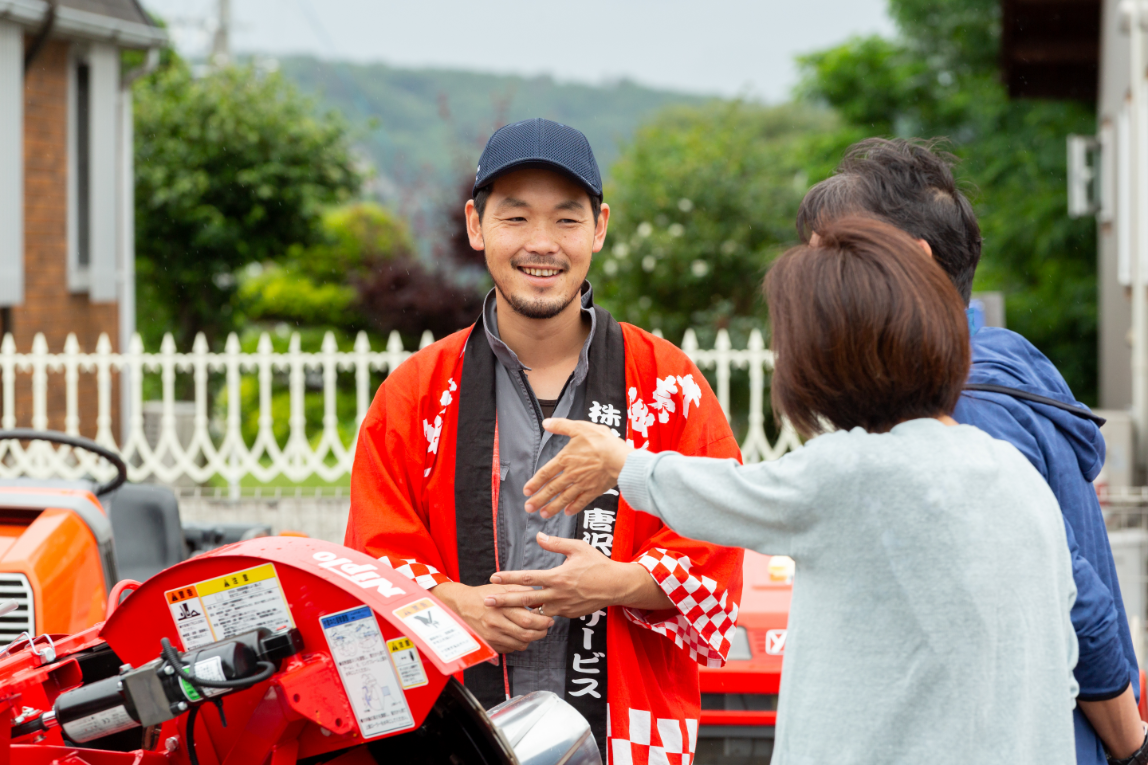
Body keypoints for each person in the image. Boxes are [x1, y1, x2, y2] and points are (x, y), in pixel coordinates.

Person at [514, 216, 1079, 765]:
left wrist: (621, 464)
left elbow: (727, 494)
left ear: (827, 358)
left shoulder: (855, 474)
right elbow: (1067, 648)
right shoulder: (1016, 475)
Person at [344, 117, 744, 762]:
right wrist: (453, 606)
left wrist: (613, 583)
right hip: (448, 736)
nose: (542, 244)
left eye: (566, 219)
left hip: (631, 733)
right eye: (515, 218)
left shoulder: (668, 384)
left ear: (600, 228)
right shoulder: (416, 395)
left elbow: (717, 546)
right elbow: (368, 566)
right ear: (476, 226)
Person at [793, 138, 1146, 764]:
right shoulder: (1001, 364)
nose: (808, 280)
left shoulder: (957, 412)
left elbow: (1073, 589)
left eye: (835, 257)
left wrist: (1130, 743)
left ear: (915, 267)